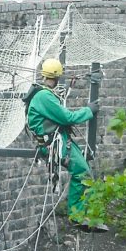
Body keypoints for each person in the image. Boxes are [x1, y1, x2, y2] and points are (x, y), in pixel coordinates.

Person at [25, 58, 107, 231]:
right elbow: (67, 118)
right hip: (53, 144)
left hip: (58, 139)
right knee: (82, 172)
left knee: (84, 171)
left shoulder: (43, 94)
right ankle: (77, 216)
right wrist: (89, 110)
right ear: (56, 77)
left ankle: (86, 215)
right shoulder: (44, 96)